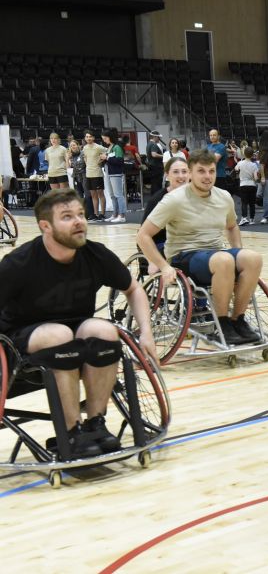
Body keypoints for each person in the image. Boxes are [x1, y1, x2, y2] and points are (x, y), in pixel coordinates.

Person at [0, 188, 156, 458]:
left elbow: (134, 289)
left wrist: (147, 332)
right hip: (20, 342)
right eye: (67, 217)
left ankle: (95, 424)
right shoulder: (19, 263)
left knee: (104, 330)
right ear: (45, 226)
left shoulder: (95, 254)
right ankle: (70, 432)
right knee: (58, 335)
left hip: (75, 332)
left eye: (81, 215)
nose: (79, 222)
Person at [137, 150, 264, 346]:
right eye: (201, 171)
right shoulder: (174, 200)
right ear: (190, 173)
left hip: (215, 253)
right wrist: (163, 266)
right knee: (224, 260)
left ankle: (237, 319)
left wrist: (238, 251)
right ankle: (221, 324)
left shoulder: (224, 197)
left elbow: (231, 226)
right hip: (184, 256)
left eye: (211, 171)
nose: (207, 176)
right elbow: (143, 235)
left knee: (253, 258)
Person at [140, 156, 191, 260]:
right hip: (163, 245)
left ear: (190, 174)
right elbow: (143, 234)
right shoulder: (157, 200)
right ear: (167, 175)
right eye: (176, 172)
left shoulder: (197, 196)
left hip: (190, 243)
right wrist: (153, 260)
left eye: (184, 171)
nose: (181, 176)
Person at [100, 128, 127, 223]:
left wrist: (106, 157)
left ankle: (122, 215)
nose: (104, 140)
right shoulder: (110, 147)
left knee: (118, 194)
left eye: (105, 138)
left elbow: (120, 161)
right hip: (108, 172)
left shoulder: (117, 147)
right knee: (112, 195)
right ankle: (115, 214)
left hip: (116, 173)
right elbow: (110, 160)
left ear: (109, 137)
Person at [81, 130, 107, 221]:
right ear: (85, 138)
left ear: (93, 138)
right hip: (89, 174)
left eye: (90, 136)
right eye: (87, 137)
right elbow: (85, 157)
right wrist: (87, 163)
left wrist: (100, 161)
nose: (88, 138)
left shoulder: (98, 147)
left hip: (97, 173)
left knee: (100, 194)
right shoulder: (84, 148)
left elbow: (107, 152)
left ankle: (102, 214)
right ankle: (95, 214)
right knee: (93, 195)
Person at [234, 148, 260, 226]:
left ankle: (244, 218)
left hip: (243, 185)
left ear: (244, 154)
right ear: (252, 155)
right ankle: (252, 219)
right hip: (252, 185)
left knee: (244, 202)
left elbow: (236, 169)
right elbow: (255, 178)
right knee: (252, 203)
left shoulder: (240, 163)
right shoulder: (254, 165)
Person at [145, 130, 166, 195]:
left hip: (152, 166)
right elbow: (154, 154)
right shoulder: (154, 144)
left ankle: (154, 199)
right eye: (158, 137)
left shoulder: (149, 144)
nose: (159, 139)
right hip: (156, 167)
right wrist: (164, 155)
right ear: (154, 137)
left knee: (154, 184)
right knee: (157, 185)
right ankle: (157, 199)